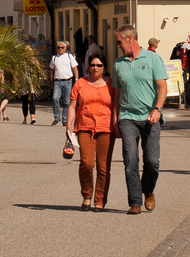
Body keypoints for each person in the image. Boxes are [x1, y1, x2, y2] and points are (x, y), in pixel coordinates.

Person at [112, 25, 168, 215]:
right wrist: (115, 118)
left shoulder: (153, 59)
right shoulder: (119, 64)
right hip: (127, 117)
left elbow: (162, 87)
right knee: (130, 160)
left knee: (152, 161)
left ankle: (148, 190)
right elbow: (116, 94)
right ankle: (135, 202)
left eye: (119, 42)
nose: (118, 45)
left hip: (150, 117)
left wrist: (157, 109)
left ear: (130, 39)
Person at [67, 51, 115, 210]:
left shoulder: (110, 84)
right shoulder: (80, 83)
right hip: (84, 127)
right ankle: (87, 194)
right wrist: (68, 126)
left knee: (103, 166)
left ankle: (100, 200)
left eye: (99, 65)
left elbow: (117, 105)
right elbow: (73, 106)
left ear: (104, 67)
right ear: (88, 66)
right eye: (93, 65)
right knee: (86, 163)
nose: (95, 68)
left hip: (106, 128)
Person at [49, 41, 79, 126]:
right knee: (55, 98)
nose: (60, 49)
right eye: (59, 47)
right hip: (57, 81)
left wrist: (76, 80)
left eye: (62, 47)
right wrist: (51, 82)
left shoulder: (69, 57)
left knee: (67, 101)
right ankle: (57, 117)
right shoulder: (54, 58)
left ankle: (65, 119)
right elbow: (52, 71)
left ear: (65, 48)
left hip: (67, 81)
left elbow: (75, 68)